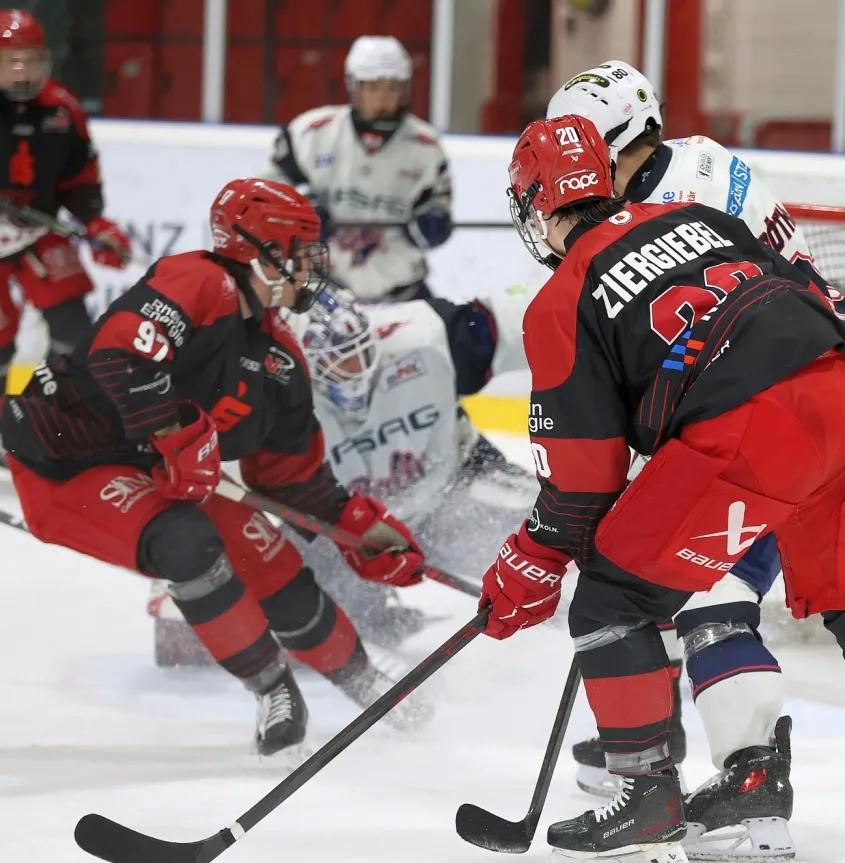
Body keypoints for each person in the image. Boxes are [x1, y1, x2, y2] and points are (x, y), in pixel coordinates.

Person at [479, 115, 845, 863]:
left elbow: (581, 490)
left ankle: (644, 807)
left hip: (750, 428)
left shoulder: (560, 300)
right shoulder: (694, 216)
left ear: (538, 206)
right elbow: (811, 288)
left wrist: (528, 560)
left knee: (611, 600)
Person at [546, 60, 845, 860]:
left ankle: (750, 781)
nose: (580, 178)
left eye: (592, 153)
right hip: (805, 388)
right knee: (650, 566)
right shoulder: (696, 164)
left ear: (629, 142)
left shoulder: (670, 202)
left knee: (704, 591)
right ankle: (655, 744)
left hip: (781, 410)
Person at [0, 178, 429, 760]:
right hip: (66, 460)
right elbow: (122, 354)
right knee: (189, 544)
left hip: (154, 467)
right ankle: (273, 689)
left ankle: (365, 681)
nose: (312, 266)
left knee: (272, 559)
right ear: (263, 249)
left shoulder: (280, 359)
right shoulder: (200, 280)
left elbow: (290, 481)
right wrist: (181, 436)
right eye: (302, 251)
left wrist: (363, 530)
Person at [150, 283, 535, 661]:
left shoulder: (429, 334)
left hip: (451, 492)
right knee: (194, 633)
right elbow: (201, 485)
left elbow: (538, 314)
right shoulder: (266, 389)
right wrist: (182, 574)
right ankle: (363, 612)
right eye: (335, 363)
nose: (353, 373)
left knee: (560, 533)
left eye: (359, 354)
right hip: (342, 534)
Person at [264, 35, 453, 305]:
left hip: (403, 294)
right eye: (373, 88)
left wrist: (434, 221)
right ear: (354, 86)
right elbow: (269, 190)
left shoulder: (426, 147)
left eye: (392, 88)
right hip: (321, 293)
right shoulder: (310, 133)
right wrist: (300, 209)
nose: (383, 99)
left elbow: (440, 203)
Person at [0, 8, 131, 389]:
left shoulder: (62, 109)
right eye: (11, 62)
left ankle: (55, 426)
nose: (22, 73)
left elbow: (80, 179)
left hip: (37, 231)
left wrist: (95, 222)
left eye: (31, 61)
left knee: (75, 337)